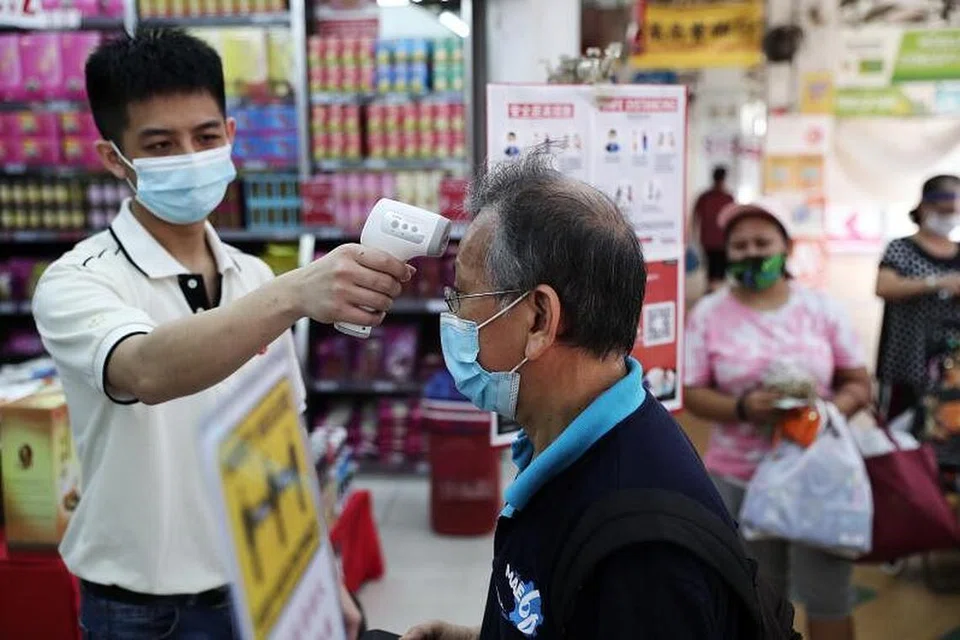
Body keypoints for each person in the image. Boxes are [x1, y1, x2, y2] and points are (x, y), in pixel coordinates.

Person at [30, 27, 411, 639]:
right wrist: (292, 293)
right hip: (142, 612)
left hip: (260, 588)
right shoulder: (77, 281)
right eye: (160, 144)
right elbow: (145, 371)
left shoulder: (252, 275)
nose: (189, 156)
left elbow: (282, 439)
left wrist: (321, 568)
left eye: (205, 136)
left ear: (230, 137)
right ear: (114, 159)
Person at [403, 152, 752, 640]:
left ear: (540, 319)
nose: (455, 319)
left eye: (463, 298)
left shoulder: (642, 559)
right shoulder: (572, 439)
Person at [683, 198, 872, 640]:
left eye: (762, 242)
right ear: (726, 252)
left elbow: (859, 384)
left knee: (829, 597)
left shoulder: (821, 310)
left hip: (820, 477)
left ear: (786, 247)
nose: (752, 252)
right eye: (740, 244)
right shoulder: (709, 314)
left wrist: (822, 414)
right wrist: (744, 408)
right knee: (757, 600)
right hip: (739, 480)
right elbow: (692, 393)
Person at [876, 174, 960, 423]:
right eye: (942, 210)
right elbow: (884, 286)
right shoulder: (900, 249)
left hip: (952, 366)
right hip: (906, 361)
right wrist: (937, 282)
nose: (948, 216)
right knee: (904, 435)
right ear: (924, 207)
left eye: (953, 211)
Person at [691, 166, 735, 291]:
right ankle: (714, 294)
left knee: (716, 271)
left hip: (715, 241)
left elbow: (695, 218)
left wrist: (694, 236)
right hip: (715, 241)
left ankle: (714, 294)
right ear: (723, 179)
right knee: (715, 271)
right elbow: (695, 218)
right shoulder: (726, 197)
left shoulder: (705, 197)